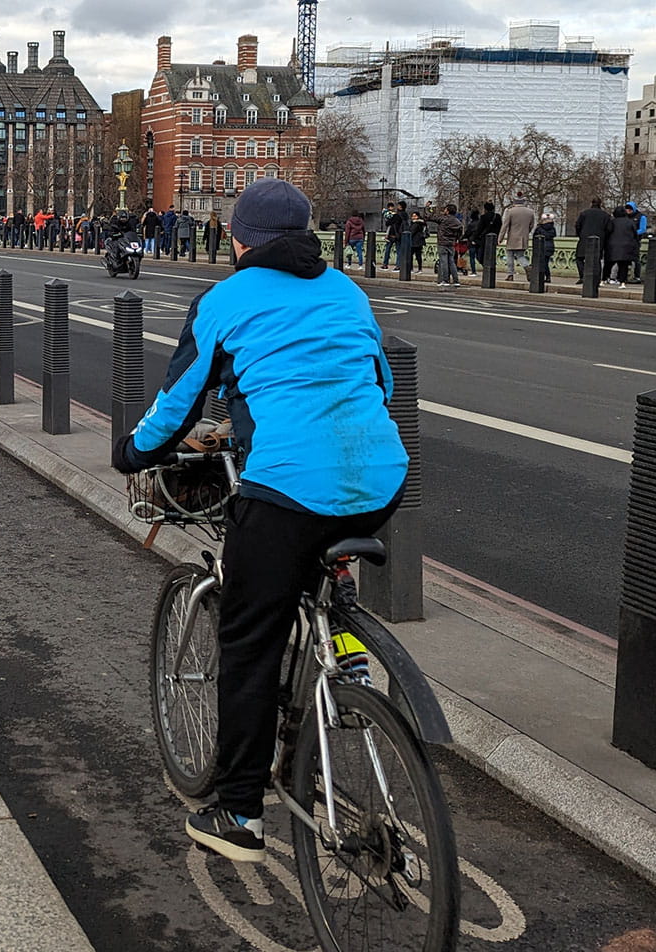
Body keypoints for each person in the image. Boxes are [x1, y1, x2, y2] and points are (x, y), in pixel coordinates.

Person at [110, 178, 407, 863]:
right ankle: (348, 660)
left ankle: (240, 814)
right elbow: (380, 385)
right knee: (320, 558)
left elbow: (178, 404)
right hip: (381, 478)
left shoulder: (225, 299)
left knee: (249, 644)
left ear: (239, 239)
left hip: (286, 485)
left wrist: (131, 453)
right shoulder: (347, 292)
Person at [574, 199, 614, 286]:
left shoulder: (584, 213)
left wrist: (581, 235)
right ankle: (596, 278)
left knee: (579, 258)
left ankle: (583, 276)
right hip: (599, 240)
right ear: (600, 204)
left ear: (591, 203)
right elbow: (609, 229)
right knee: (597, 260)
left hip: (584, 239)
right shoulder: (606, 215)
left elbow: (577, 225)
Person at [606, 202, 641, 287]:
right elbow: (635, 234)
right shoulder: (630, 222)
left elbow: (608, 232)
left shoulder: (613, 222)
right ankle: (622, 281)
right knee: (624, 265)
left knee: (610, 263)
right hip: (627, 245)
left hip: (613, 245)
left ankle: (607, 278)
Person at [501, 197, 536, 281]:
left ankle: (510, 274)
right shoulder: (530, 212)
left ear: (514, 202)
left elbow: (505, 226)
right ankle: (527, 266)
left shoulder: (510, 211)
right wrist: (526, 233)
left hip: (512, 238)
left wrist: (500, 238)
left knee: (510, 256)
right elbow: (531, 225)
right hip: (523, 238)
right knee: (520, 255)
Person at [433, 204, 463, 287]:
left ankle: (445, 280)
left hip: (442, 242)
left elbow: (431, 217)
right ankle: (456, 280)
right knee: (451, 262)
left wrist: (429, 209)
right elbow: (460, 232)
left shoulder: (443, 219)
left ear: (448, 210)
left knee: (444, 262)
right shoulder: (457, 221)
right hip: (451, 243)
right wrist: (456, 238)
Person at [474, 201, 502, 276]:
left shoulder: (483, 217)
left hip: (484, 239)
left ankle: (486, 268)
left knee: (481, 255)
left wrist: (473, 238)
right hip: (494, 238)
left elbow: (479, 229)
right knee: (492, 254)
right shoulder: (498, 217)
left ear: (485, 209)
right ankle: (491, 268)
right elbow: (500, 227)